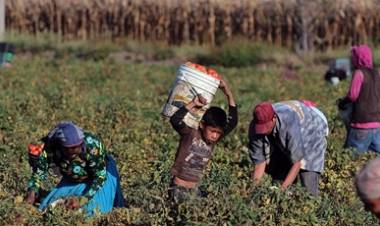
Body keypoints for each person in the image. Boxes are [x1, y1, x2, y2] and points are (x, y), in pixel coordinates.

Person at [25, 121, 124, 216]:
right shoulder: (51, 149)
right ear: (62, 147)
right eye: (72, 148)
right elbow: (39, 172)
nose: (78, 150)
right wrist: (32, 192)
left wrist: (82, 200)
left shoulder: (92, 145)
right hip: (73, 179)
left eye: (79, 146)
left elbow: (100, 177)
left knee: (96, 212)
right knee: (45, 209)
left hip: (100, 177)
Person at [168, 78, 237, 203]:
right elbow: (175, 120)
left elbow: (233, 121)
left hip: (195, 190)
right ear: (202, 125)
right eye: (212, 131)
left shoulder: (213, 140)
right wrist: (192, 104)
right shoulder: (190, 133)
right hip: (178, 188)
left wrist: (227, 92)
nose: (215, 136)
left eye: (218, 133)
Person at [248, 100, 328, 196]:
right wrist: (253, 191)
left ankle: (312, 204)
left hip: (312, 126)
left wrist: (281, 191)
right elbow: (259, 163)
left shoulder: (289, 125)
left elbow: (297, 163)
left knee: (307, 182)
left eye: (266, 126)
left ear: (274, 118)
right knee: (279, 172)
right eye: (261, 127)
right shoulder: (256, 126)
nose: (263, 130)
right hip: (289, 125)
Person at [337, 44, 380, 154]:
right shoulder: (376, 73)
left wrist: (343, 102)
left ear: (358, 58)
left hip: (361, 124)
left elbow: (352, 95)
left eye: (353, 57)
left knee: (351, 159)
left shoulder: (359, 73)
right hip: (376, 124)